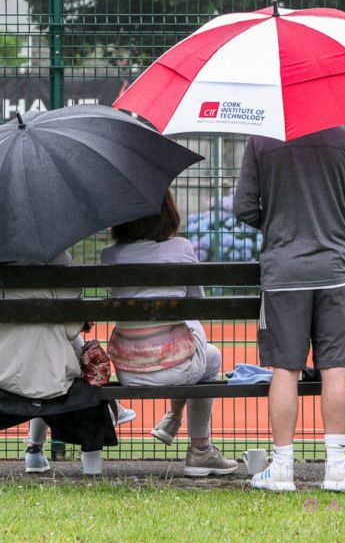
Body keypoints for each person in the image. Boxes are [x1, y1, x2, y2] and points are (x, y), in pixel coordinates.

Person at [234, 126, 345, 492]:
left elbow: (244, 206)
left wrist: (280, 221)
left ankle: (281, 468)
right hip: (335, 270)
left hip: (283, 272)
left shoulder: (260, 140)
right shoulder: (344, 140)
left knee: (285, 368)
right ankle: (338, 467)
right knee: (334, 366)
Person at [101, 190, 239, 477]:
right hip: (178, 368)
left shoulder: (109, 256)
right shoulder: (181, 248)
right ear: (167, 213)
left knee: (186, 331)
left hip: (129, 371)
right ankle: (200, 449)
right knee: (209, 353)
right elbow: (196, 303)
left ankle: (173, 418)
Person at [0, 252, 123, 475]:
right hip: (50, 378)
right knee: (66, 374)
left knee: (39, 364)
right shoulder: (57, 260)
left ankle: (34, 449)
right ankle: (91, 464)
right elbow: (71, 331)